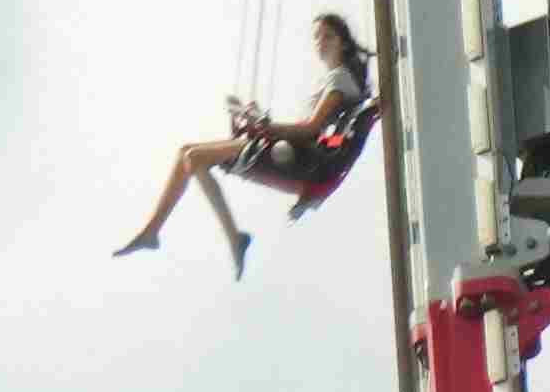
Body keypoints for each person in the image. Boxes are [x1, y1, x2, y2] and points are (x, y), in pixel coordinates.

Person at [115, 14, 382, 273]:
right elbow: (311, 129)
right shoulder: (334, 80)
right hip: (299, 153)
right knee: (187, 154)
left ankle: (226, 237)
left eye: (328, 36)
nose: (321, 42)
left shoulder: (339, 79)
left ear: (343, 42)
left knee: (193, 156)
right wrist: (261, 123)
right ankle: (155, 232)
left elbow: (311, 130)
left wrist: (264, 128)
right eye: (317, 37)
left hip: (303, 159)